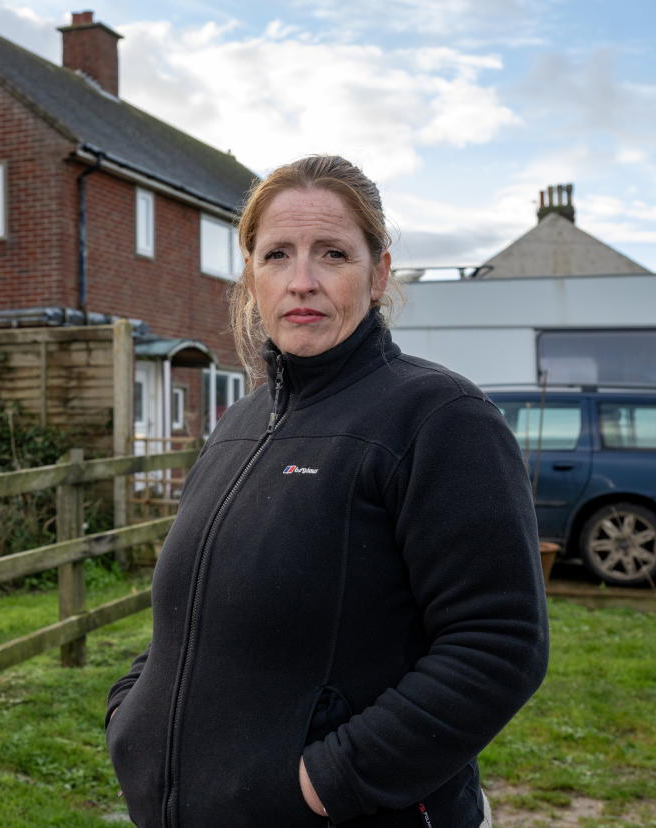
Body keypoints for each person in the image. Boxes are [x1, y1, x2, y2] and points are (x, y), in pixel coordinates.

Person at [105, 155, 549, 827]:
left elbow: (500, 644)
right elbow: (197, 609)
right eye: (277, 254)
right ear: (251, 276)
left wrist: (328, 781)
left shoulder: (438, 418)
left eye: (332, 253)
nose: (302, 281)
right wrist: (131, 715)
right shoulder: (240, 424)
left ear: (379, 274)